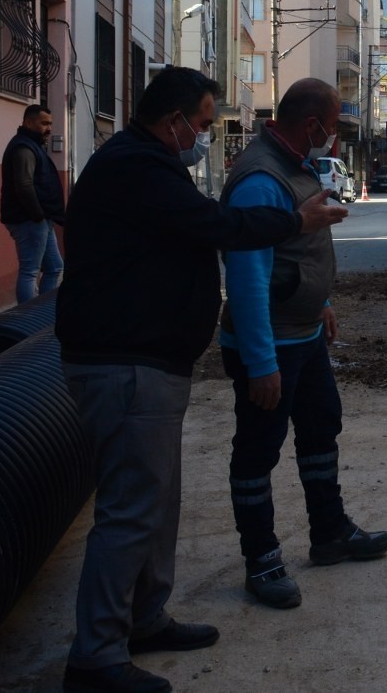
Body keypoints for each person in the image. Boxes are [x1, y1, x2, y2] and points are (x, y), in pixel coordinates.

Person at [56, 67, 347, 693]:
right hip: (125, 364)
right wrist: (297, 224)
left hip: (148, 363)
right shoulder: (139, 169)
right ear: (175, 121)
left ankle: (144, 617)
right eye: (205, 125)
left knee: (157, 503)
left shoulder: (144, 166)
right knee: (132, 510)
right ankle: (96, 659)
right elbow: (224, 234)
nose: (206, 137)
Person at [218, 77, 387, 610]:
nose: (336, 136)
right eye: (334, 125)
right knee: (257, 450)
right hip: (271, 344)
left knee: (321, 427)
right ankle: (262, 560)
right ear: (312, 124)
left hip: (305, 334)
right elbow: (247, 279)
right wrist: (261, 362)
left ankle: (330, 532)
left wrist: (320, 303)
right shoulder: (259, 179)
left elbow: (297, 252)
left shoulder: (293, 166)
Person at [0, 103, 65, 303]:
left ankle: (40, 315)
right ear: (29, 122)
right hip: (29, 220)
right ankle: (27, 322)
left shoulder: (32, 145)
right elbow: (24, 184)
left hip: (40, 220)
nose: (49, 128)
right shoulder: (24, 147)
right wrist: (37, 215)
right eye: (44, 123)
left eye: (50, 123)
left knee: (54, 267)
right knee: (30, 272)